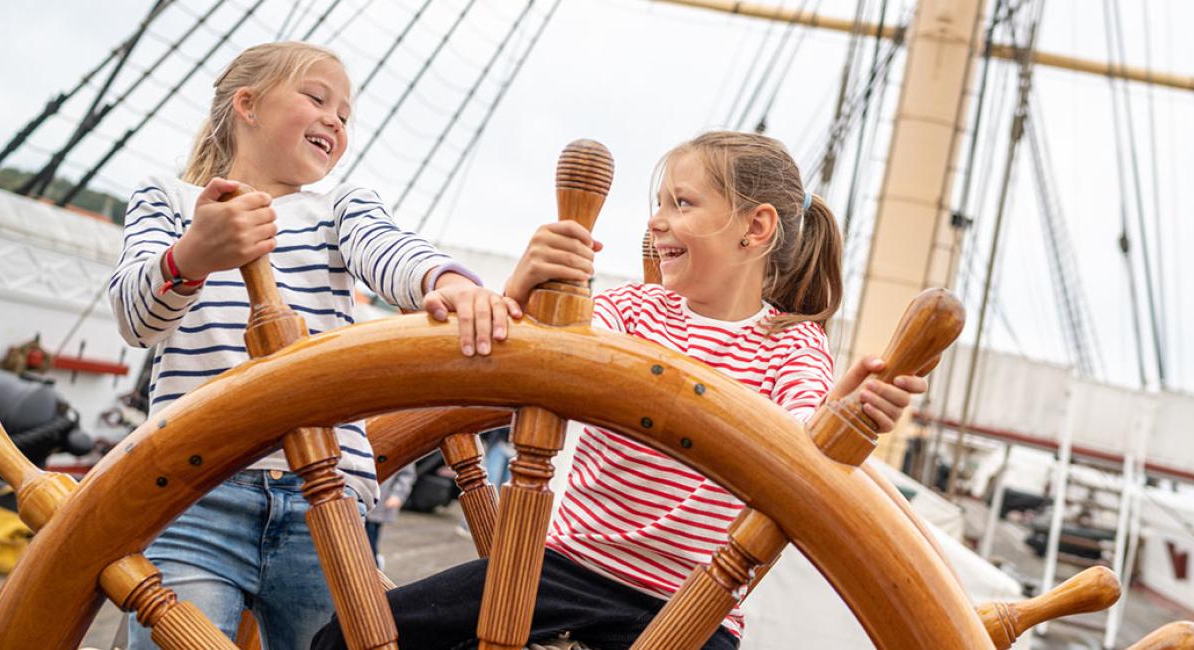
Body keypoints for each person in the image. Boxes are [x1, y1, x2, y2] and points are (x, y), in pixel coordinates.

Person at [312, 130, 928, 650]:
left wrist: (843, 417)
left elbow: (802, 448)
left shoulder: (790, 347)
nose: (657, 220)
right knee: (345, 637)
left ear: (755, 227)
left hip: (692, 613)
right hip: (557, 573)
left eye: (682, 203)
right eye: (657, 203)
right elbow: (538, 352)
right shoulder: (634, 311)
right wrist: (525, 286)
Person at [107, 41, 517, 648]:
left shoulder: (339, 207)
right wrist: (193, 253)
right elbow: (136, 320)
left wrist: (448, 282)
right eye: (316, 98)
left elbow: (390, 249)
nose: (335, 120)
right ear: (247, 104)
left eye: (345, 116)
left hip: (323, 501)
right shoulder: (169, 201)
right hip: (195, 494)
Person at [366, 461, 418, 569]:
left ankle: (374, 568)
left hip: (378, 506)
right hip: (359, 502)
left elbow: (407, 474)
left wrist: (397, 495)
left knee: (369, 543)